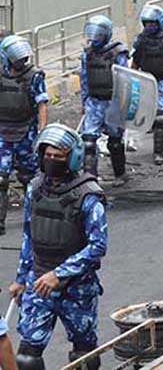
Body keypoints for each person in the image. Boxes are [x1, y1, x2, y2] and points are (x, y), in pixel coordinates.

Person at [10, 124, 106, 370]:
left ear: (72, 158)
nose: (52, 160)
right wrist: (21, 278)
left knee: (84, 355)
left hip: (77, 288)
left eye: (59, 156)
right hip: (39, 280)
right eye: (48, 155)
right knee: (27, 356)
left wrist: (59, 274)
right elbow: (29, 236)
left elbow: (97, 246)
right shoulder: (35, 188)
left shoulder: (88, 195)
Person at [0, 36, 47, 235]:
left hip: (25, 131)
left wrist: (41, 133)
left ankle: (34, 217)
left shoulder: (34, 76)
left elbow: (42, 104)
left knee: (30, 178)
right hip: (3, 131)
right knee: (1, 178)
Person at [79, 15, 129, 186]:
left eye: (98, 35)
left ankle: (120, 174)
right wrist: (84, 101)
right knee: (88, 142)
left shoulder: (118, 52)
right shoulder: (87, 53)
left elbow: (125, 80)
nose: (94, 39)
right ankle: (90, 178)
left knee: (115, 142)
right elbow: (84, 78)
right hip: (94, 102)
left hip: (113, 103)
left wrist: (124, 105)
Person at [131, 4, 163, 165]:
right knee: (149, 113)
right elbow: (135, 61)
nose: (149, 26)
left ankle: (159, 152)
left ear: (160, 22)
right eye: (147, 23)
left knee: (161, 117)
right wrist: (133, 81)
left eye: (153, 23)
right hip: (146, 80)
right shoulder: (140, 40)